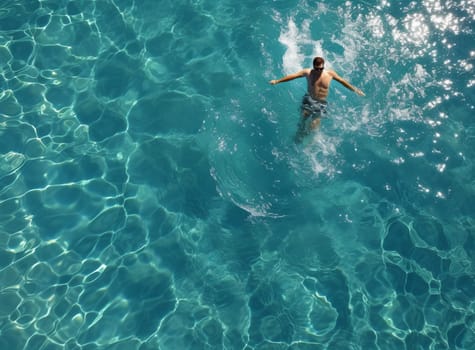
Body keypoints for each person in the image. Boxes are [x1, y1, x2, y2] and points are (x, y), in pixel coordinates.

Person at [269, 57, 365, 142]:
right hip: (309, 99)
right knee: (303, 119)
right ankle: (299, 134)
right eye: (316, 68)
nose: (319, 70)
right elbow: (293, 76)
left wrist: (355, 90)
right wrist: (277, 81)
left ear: (324, 66)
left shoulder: (330, 74)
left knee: (313, 126)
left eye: (321, 68)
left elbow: (342, 81)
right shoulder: (308, 72)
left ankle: (307, 136)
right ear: (313, 66)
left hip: (321, 103)